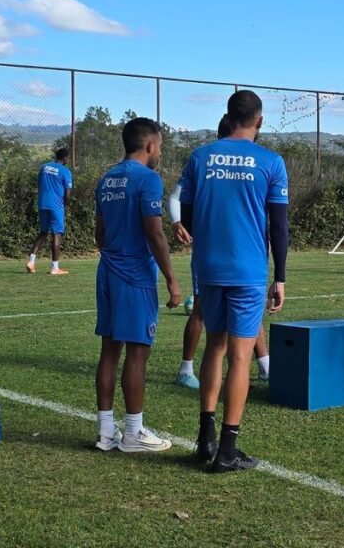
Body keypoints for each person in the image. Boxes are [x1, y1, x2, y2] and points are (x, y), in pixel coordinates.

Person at [179, 90, 289, 472]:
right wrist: (280, 277)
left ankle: (205, 438)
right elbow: (279, 226)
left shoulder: (200, 157)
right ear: (259, 121)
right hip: (247, 270)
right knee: (240, 356)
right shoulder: (271, 162)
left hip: (208, 268)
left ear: (227, 117)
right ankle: (227, 449)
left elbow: (187, 217)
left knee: (215, 347)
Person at [93, 118, 183, 453]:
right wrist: (172, 280)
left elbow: (100, 234)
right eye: (160, 147)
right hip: (134, 275)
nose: (160, 153)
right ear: (150, 145)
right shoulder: (148, 179)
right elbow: (155, 233)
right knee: (138, 352)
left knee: (109, 350)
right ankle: (133, 433)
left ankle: (106, 432)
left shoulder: (106, 179)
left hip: (107, 270)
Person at [170, 116, 271, 390]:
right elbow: (176, 197)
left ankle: (265, 365)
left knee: (248, 312)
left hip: (240, 259)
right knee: (203, 315)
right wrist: (179, 223)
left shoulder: (222, 160)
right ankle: (186, 368)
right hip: (213, 257)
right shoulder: (205, 161)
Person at [26, 148, 73, 275]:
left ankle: (31, 261)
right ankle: (55, 267)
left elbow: (39, 184)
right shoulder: (65, 171)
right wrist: (65, 205)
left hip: (42, 203)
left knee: (43, 232)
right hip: (56, 205)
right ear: (65, 158)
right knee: (56, 234)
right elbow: (67, 194)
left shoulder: (44, 167)